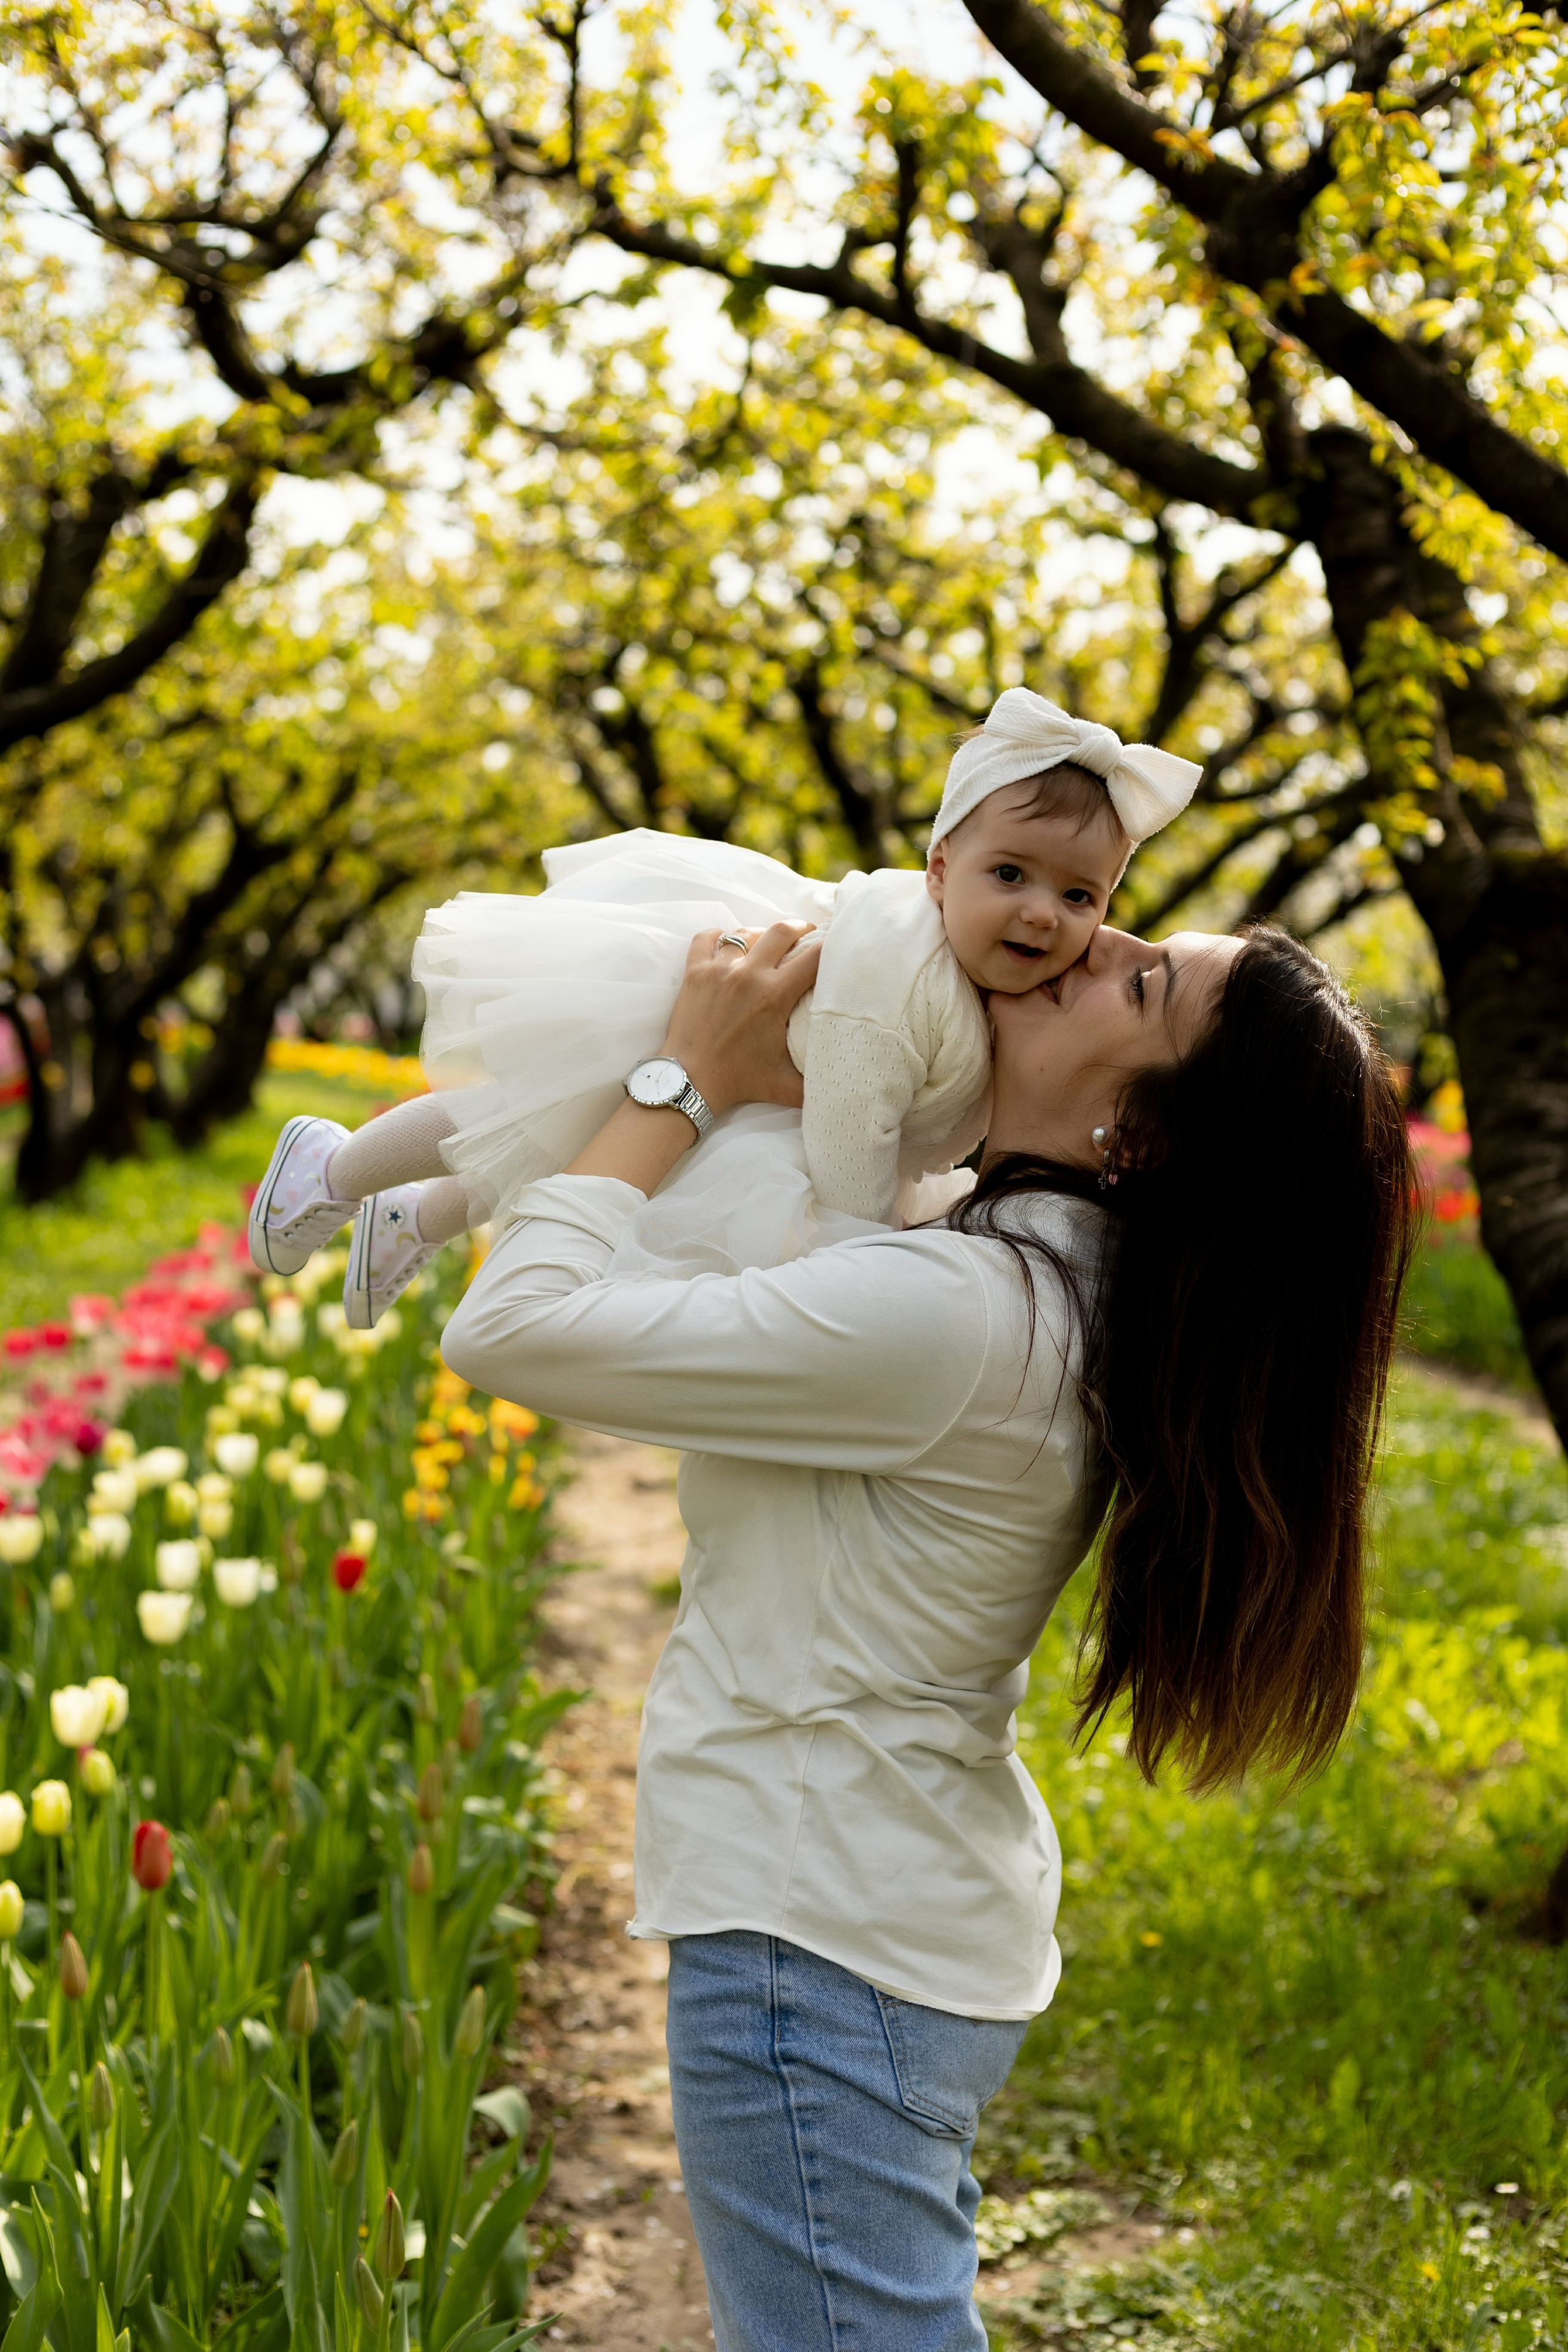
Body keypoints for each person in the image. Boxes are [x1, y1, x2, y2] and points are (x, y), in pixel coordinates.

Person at [439, 909, 1415, 2352]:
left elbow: (512, 1326)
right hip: (872, 1916)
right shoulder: (1020, 1286)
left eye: (1137, 983)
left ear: (1137, 1139)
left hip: (813, 1939)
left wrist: (678, 1081)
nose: (1085, 939)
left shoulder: (958, 1318)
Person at [247, 692, 1200, 1322]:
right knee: (516, 1112)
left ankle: (414, 1219)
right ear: (940, 869)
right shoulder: (903, 967)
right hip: (705, 1022)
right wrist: (860, 1238)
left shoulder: (1007, 985)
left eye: (1081, 896)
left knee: (544, 1150)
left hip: (750, 1083)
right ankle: (332, 1169)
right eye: (1010, 874)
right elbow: (851, 1126)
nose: (1044, 912)